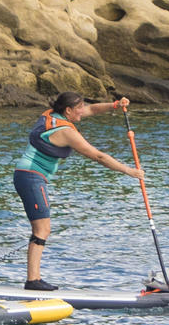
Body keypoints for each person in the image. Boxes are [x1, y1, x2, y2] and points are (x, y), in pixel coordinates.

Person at [13, 91, 144, 291]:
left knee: (42, 229)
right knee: (42, 229)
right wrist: (129, 171)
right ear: (68, 110)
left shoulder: (50, 114)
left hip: (27, 175)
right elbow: (99, 157)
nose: (83, 112)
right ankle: (33, 280)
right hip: (31, 177)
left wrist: (115, 105)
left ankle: (34, 279)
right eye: (79, 108)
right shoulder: (67, 132)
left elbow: (92, 108)